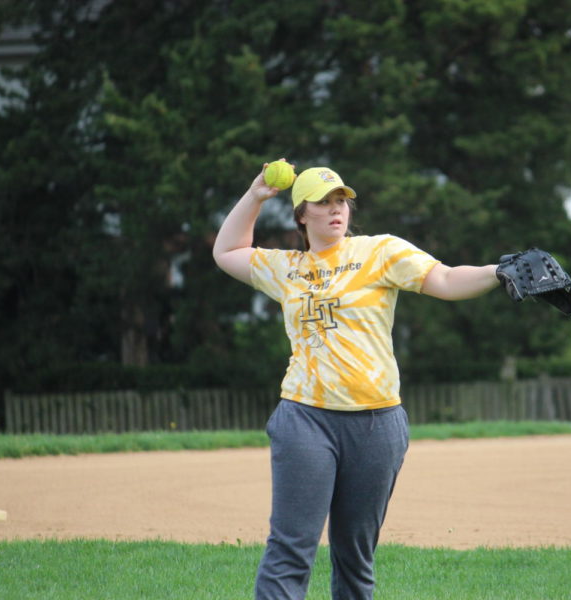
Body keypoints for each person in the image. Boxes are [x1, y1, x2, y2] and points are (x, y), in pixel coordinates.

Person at [212, 161, 500, 600]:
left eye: (341, 200)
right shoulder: (287, 268)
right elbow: (227, 252)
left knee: (355, 557)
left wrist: (497, 273)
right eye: (322, 202)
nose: (335, 209)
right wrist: (255, 196)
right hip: (306, 419)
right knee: (291, 549)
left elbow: (443, 279)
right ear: (301, 215)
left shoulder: (380, 251)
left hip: (377, 423)